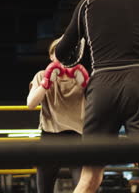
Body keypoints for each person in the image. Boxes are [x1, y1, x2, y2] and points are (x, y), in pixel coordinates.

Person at [55, 0, 139, 193]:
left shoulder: (87, 2)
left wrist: (84, 45)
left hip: (102, 86)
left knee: (89, 176)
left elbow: (62, 53)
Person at [27, 38, 90, 193]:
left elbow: (96, 106)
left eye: (67, 51)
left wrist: (86, 85)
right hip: (50, 136)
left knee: (84, 187)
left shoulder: (80, 75)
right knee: (44, 188)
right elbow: (31, 104)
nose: (63, 55)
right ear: (51, 56)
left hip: (77, 136)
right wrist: (46, 83)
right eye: (58, 51)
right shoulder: (41, 75)